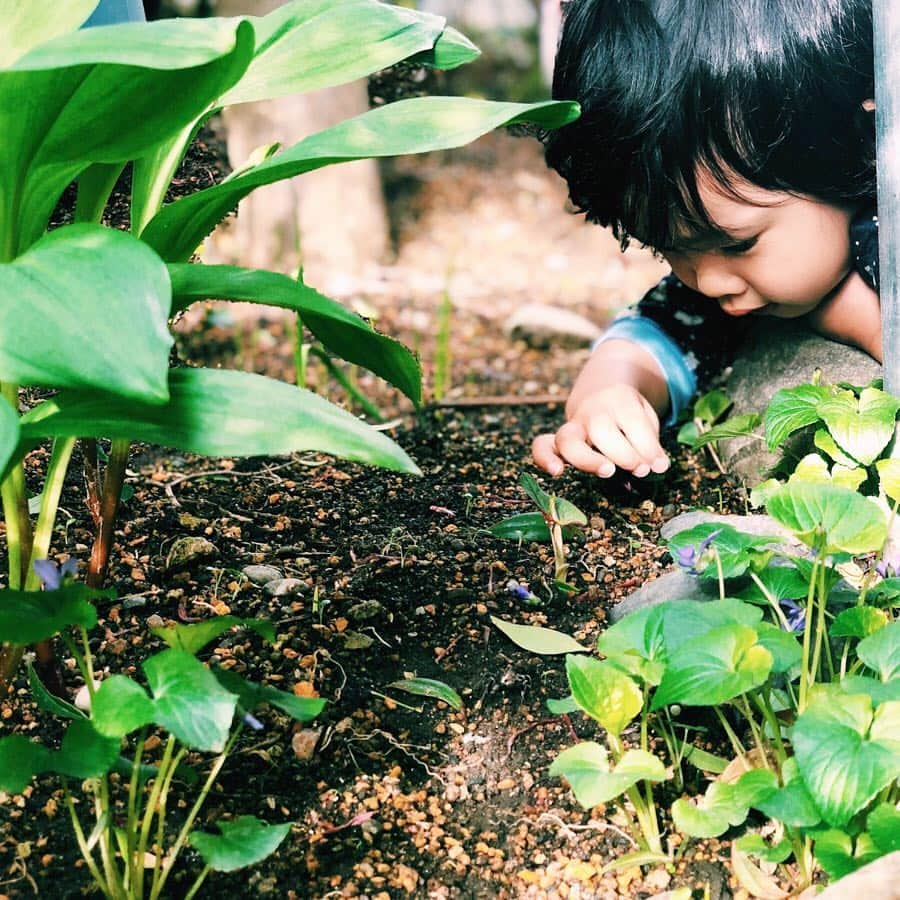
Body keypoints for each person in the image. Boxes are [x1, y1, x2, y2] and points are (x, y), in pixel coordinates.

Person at [531, 0, 880, 480]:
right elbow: (657, 332)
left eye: (739, 244)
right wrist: (610, 391)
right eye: (666, 249)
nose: (709, 281)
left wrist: (853, 314)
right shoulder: (733, 274)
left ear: (858, 142)